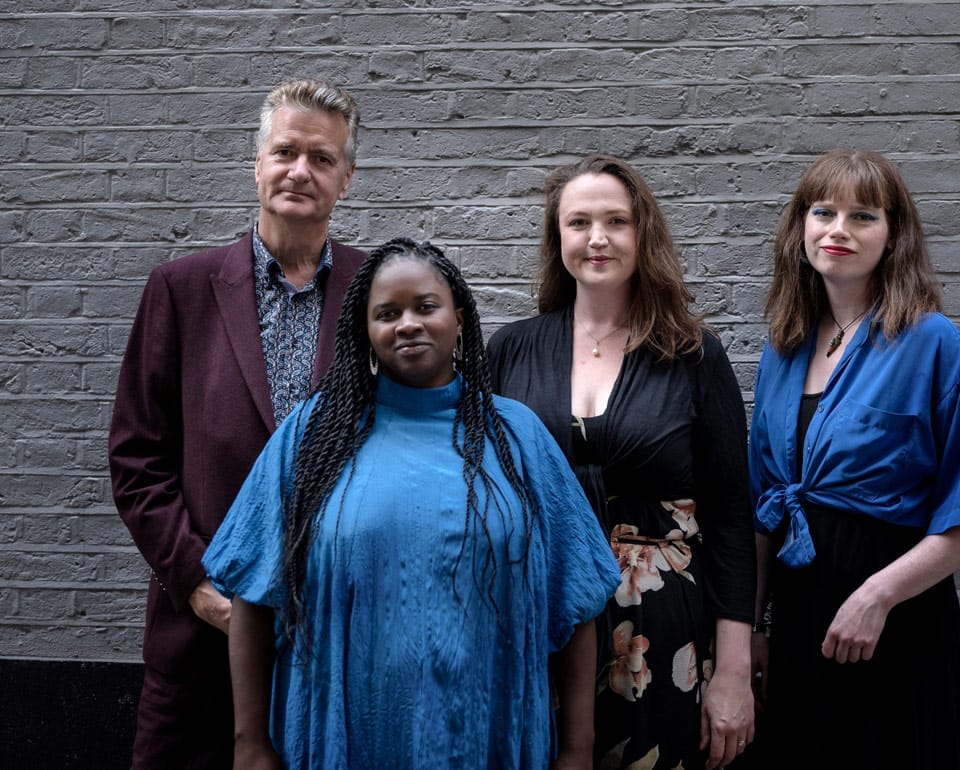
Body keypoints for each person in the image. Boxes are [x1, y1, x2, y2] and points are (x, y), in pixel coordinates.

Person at [202, 237, 620, 769]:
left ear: (460, 317)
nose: (407, 324)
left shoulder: (517, 437)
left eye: (426, 306)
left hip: (483, 734)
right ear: (365, 330)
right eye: (387, 313)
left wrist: (578, 749)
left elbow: (578, 599)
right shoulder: (312, 435)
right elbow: (252, 597)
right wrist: (250, 744)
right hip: (351, 738)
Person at [108, 79, 365, 769]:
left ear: (346, 178)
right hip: (199, 644)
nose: (299, 170)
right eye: (285, 151)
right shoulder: (181, 289)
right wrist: (195, 583)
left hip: (334, 643)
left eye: (321, 157)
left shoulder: (379, 293)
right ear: (257, 163)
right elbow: (137, 458)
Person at [747, 148, 960, 769]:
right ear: (800, 228)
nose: (839, 229)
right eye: (823, 212)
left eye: (863, 216)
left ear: (893, 237)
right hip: (798, 620)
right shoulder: (782, 349)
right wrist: (753, 628)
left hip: (894, 623)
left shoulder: (932, 343)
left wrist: (878, 596)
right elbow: (766, 508)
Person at [488, 154, 756, 769]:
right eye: (579, 222)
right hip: (543, 617)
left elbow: (733, 517)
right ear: (558, 239)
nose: (598, 238)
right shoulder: (510, 350)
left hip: (662, 628)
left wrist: (734, 671)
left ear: (644, 235)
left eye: (617, 221)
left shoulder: (692, 355)